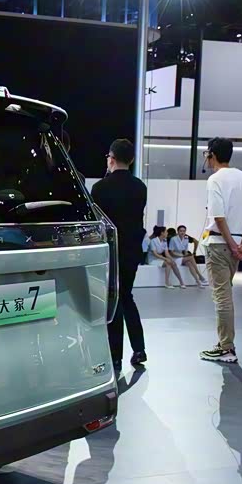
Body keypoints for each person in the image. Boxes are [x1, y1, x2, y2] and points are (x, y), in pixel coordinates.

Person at [199, 137, 242, 363]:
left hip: (218, 245)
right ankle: (225, 345)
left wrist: (233, 245)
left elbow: (218, 217)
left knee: (222, 297)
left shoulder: (215, 179)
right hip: (235, 246)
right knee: (225, 294)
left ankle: (226, 348)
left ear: (211, 154)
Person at [91, 139, 147, 372]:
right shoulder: (140, 187)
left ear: (111, 158)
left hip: (110, 251)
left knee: (112, 300)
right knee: (126, 296)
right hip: (132, 251)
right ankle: (139, 348)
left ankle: (115, 356)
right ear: (131, 159)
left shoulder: (99, 188)